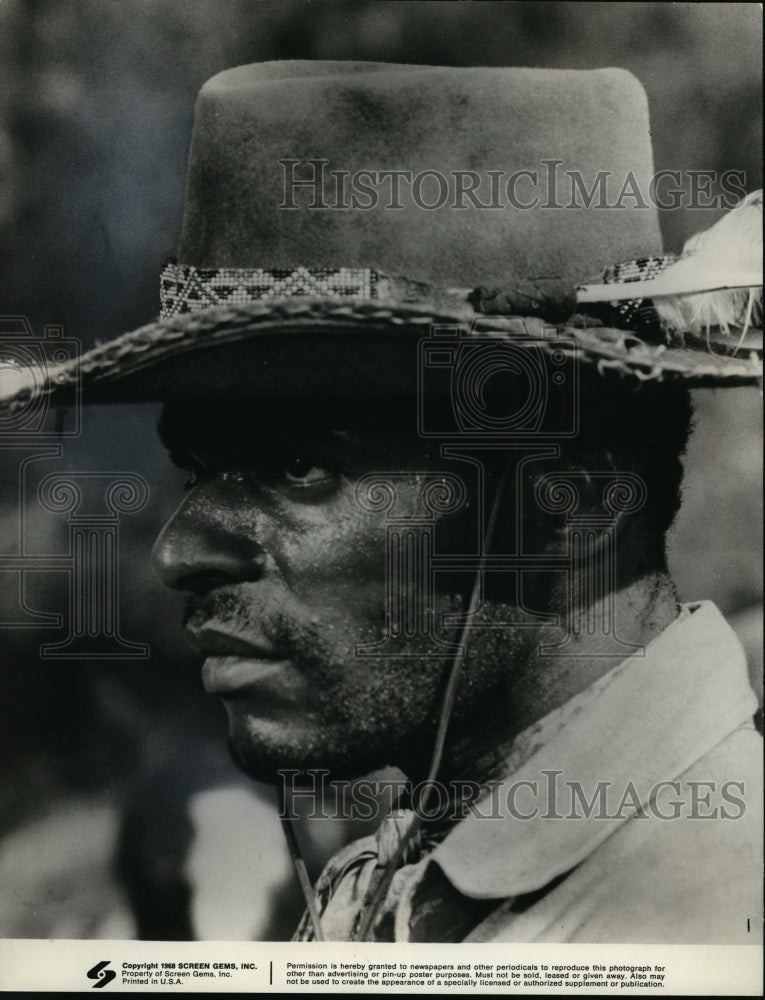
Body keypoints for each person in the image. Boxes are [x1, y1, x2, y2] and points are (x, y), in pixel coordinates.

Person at [1, 61, 762, 944]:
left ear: (571, 505)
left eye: (297, 469)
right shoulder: (405, 875)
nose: (179, 553)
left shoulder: (710, 902)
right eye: (196, 468)